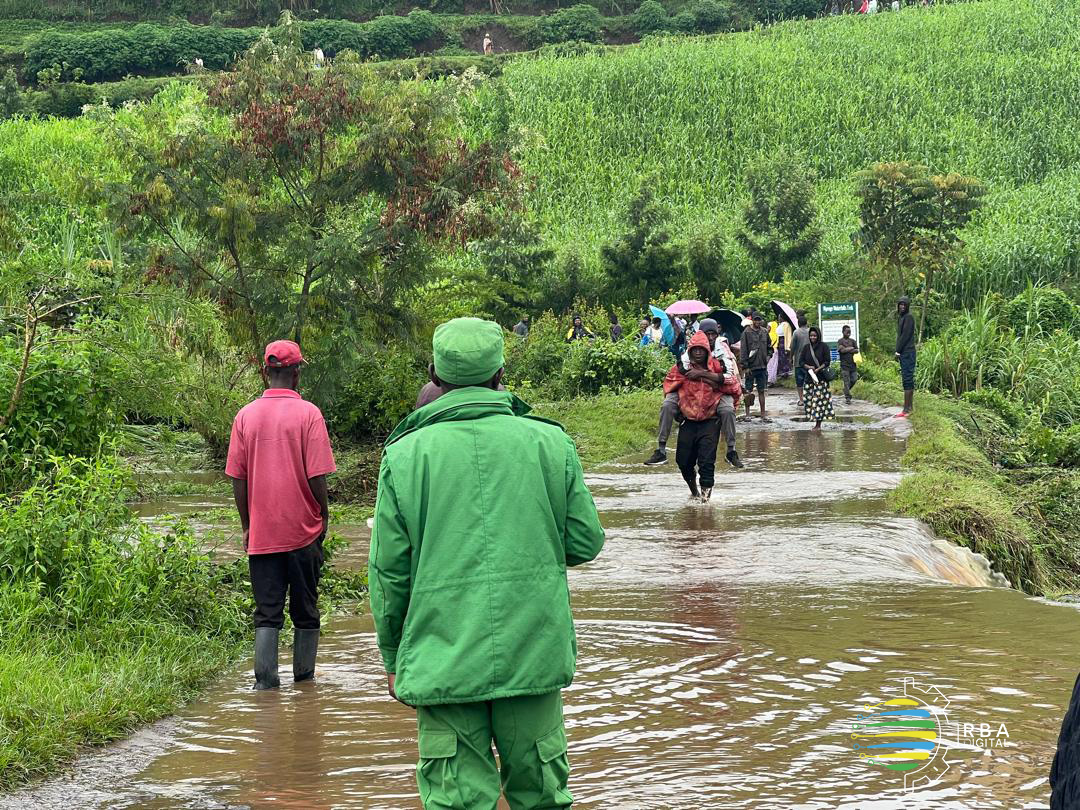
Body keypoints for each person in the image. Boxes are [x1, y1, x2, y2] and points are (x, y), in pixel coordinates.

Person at [370, 317, 605, 810]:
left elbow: (390, 574)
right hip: (532, 649)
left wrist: (393, 658)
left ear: (434, 374)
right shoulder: (550, 443)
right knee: (541, 795)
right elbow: (584, 542)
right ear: (502, 373)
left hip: (443, 656)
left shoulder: (404, 455)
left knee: (456, 799)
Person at [226, 340, 336, 690]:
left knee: (267, 612)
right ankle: (305, 685)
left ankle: (265, 687)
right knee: (305, 610)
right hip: (303, 531)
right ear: (297, 373)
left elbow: (238, 478)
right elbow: (317, 475)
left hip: (263, 533)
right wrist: (324, 516)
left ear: (265, 371)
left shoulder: (245, 416)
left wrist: (247, 526)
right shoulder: (309, 414)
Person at [644, 319, 743, 468]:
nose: (710, 338)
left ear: (717, 335)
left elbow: (729, 377)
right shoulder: (690, 350)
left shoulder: (722, 351)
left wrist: (704, 374)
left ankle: (731, 450)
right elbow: (682, 370)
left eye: (713, 334)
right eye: (706, 334)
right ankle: (661, 449)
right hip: (690, 387)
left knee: (727, 410)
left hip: (716, 389)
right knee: (667, 405)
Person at [665, 332, 726, 502]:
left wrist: (706, 376)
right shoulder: (681, 369)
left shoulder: (717, 367)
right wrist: (677, 412)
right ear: (690, 351)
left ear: (707, 351)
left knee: (707, 462)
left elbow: (731, 385)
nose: (698, 353)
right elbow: (670, 386)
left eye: (702, 350)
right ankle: (694, 491)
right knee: (683, 461)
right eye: (695, 349)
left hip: (711, 421)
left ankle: (705, 501)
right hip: (688, 421)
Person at [739, 313, 772, 422]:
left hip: (762, 366)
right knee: (748, 391)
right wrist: (745, 366)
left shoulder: (764, 332)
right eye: (756, 320)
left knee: (762, 390)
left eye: (759, 320)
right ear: (752, 320)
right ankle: (747, 414)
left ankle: (763, 414)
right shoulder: (746, 333)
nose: (758, 322)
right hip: (750, 367)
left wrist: (768, 357)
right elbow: (743, 350)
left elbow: (769, 347)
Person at [800, 326, 835, 430]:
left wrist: (818, 369)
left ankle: (818, 424)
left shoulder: (824, 347)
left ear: (818, 336)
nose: (813, 337)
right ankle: (813, 420)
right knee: (809, 400)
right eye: (811, 336)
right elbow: (801, 362)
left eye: (814, 335)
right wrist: (808, 367)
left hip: (820, 379)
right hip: (809, 379)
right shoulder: (806, 348)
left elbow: (827, 361)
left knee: (819, 402)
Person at [896, 295, 916, 417]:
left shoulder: (909, 318)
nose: (902, 306)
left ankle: (907, 409)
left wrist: (898, 351)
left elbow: (905, 336)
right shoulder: (901, 318)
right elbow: (899, 336)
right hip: (904, 352)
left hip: (908, 352)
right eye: (900, 304)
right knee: (905, 379)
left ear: (907, 306)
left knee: (908, 379)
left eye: (904, 304)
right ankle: (908, 407)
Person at [790, 313, 811, 408]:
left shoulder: (796, 332)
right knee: (809, 380)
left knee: (799, 381)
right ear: (806, 323)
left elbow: (792, 347)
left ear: (798, 323)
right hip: (810, 361)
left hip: (798, 361)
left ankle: (801, 399)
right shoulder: (811, 332)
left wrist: (790, 357)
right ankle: (809, 398)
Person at [836, 324, 859, 404]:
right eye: (847, 331)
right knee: (846, 381)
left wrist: (847, 349)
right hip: (844, 365)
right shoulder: (840, 341)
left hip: (853, 365)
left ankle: (846, 390)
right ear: (843, 332)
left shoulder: (853, 341)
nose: (848, 332)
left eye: (850, 331)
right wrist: (850, 348)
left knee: (854, 379)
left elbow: (857, 350)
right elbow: (841, 351)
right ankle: (848, 397)